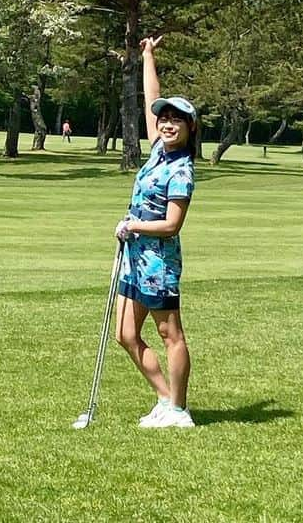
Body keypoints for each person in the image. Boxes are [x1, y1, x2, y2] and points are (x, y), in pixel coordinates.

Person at [113, 35, 196, 429]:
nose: (166, 123)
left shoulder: (181, 170)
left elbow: (172, 224)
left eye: (176, 119)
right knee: (126, 334)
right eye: (164, 118)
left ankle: (179, 409)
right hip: (135, 257)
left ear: (189, 128)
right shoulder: (158, 151)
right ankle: (164, 397)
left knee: (169, 334)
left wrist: (133, 224)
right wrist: (148, 56)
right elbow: (152, 98)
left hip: (158, 260)